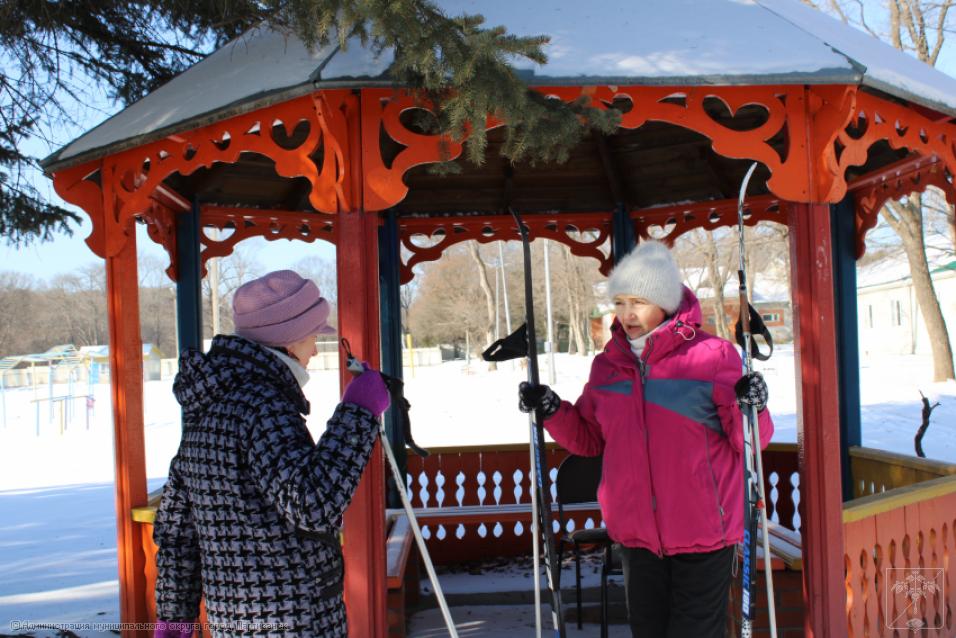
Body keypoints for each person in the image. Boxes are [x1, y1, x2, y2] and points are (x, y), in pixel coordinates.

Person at [518, 240, 773, 638]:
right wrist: (552, 410)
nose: (627, 313)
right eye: (620, 302)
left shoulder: (714, 356)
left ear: (665, 302)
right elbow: (589, 439)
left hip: (705, 531)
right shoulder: (607, 366)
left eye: (638, 301)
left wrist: (752, 406)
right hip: (637, 536)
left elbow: (750, 440)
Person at [153, 269, 390, 638]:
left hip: (234, 620)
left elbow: (178, 533)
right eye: (313, 337)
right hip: (293, 619)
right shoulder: (263, 406)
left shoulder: (206, 407)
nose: (315, 350)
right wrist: (358, 414)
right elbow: (312, 503)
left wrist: (174, 619)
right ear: (288, 341)